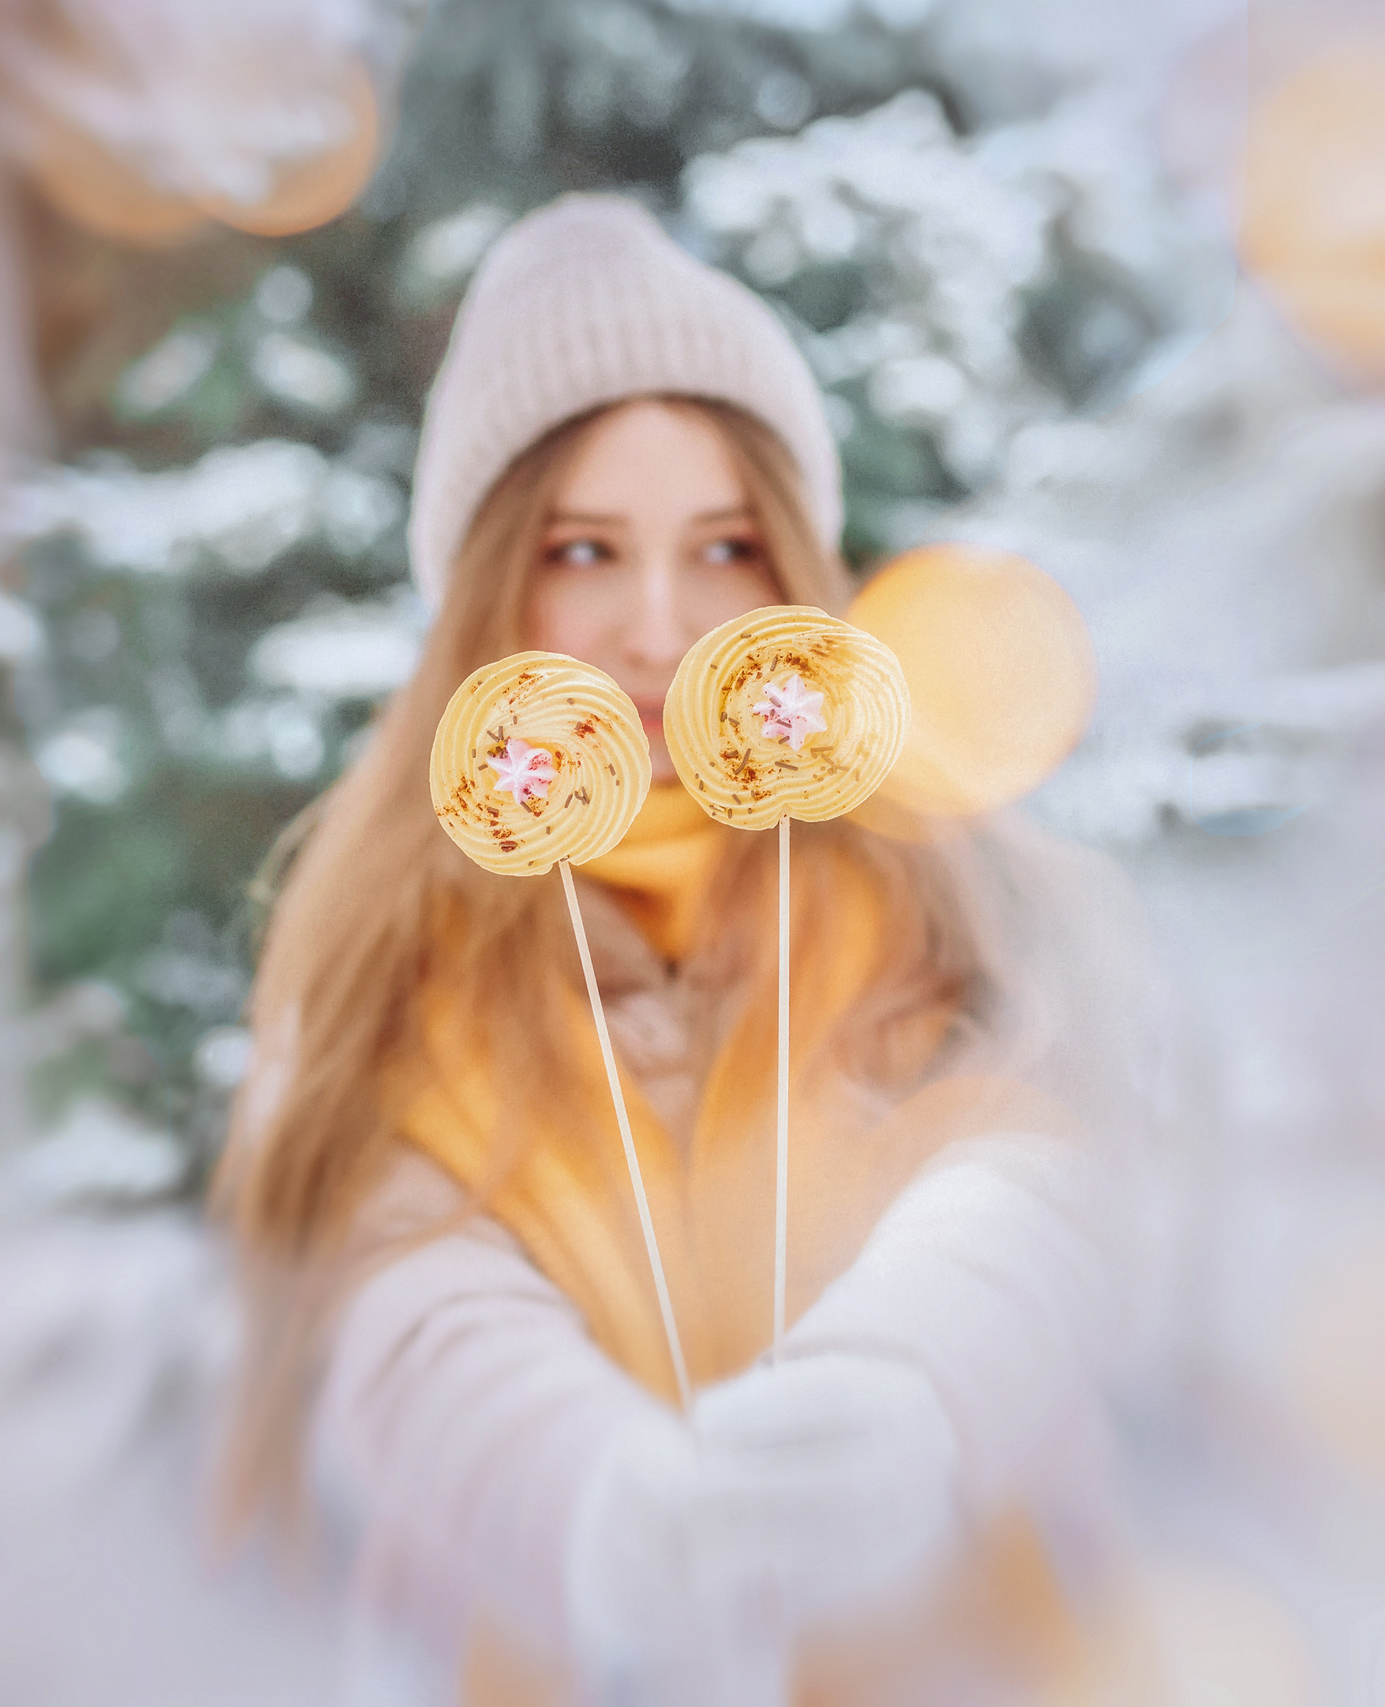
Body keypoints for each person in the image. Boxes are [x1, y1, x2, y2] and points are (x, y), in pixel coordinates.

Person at [214, 194, 1162, 1706]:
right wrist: (598, 1504)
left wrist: (913, 1373)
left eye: (720, 546)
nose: (657, 627)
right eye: (584, 550)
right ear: (487, 587)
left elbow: (1035, 1178)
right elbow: (406, 1307)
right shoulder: (379, 960)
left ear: (789, 564)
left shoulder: (944, 888)